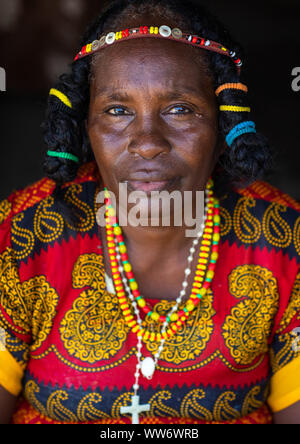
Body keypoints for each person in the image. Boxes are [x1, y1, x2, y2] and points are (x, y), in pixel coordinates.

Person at [0, 0, 300, 425]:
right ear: (85, 127)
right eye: (117, 111)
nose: (147, 142)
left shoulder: (283, 241)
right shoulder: (20, 238)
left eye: (180, 109)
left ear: (223, 124)